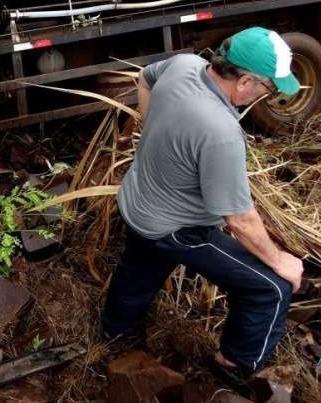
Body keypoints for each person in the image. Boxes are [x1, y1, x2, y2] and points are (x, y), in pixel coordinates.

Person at [101, 26, 304, 388]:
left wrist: (152, 130)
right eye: (268, 88)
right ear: (244, 82)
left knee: (140, 266)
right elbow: (240, 220)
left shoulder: (184, 64)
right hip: (174, 228)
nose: (265, 96)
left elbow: (144, 78)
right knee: (271, 288)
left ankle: (116, 332)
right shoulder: (220, 131)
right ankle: (234, 365)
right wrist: (280, 262)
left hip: (136, 202)